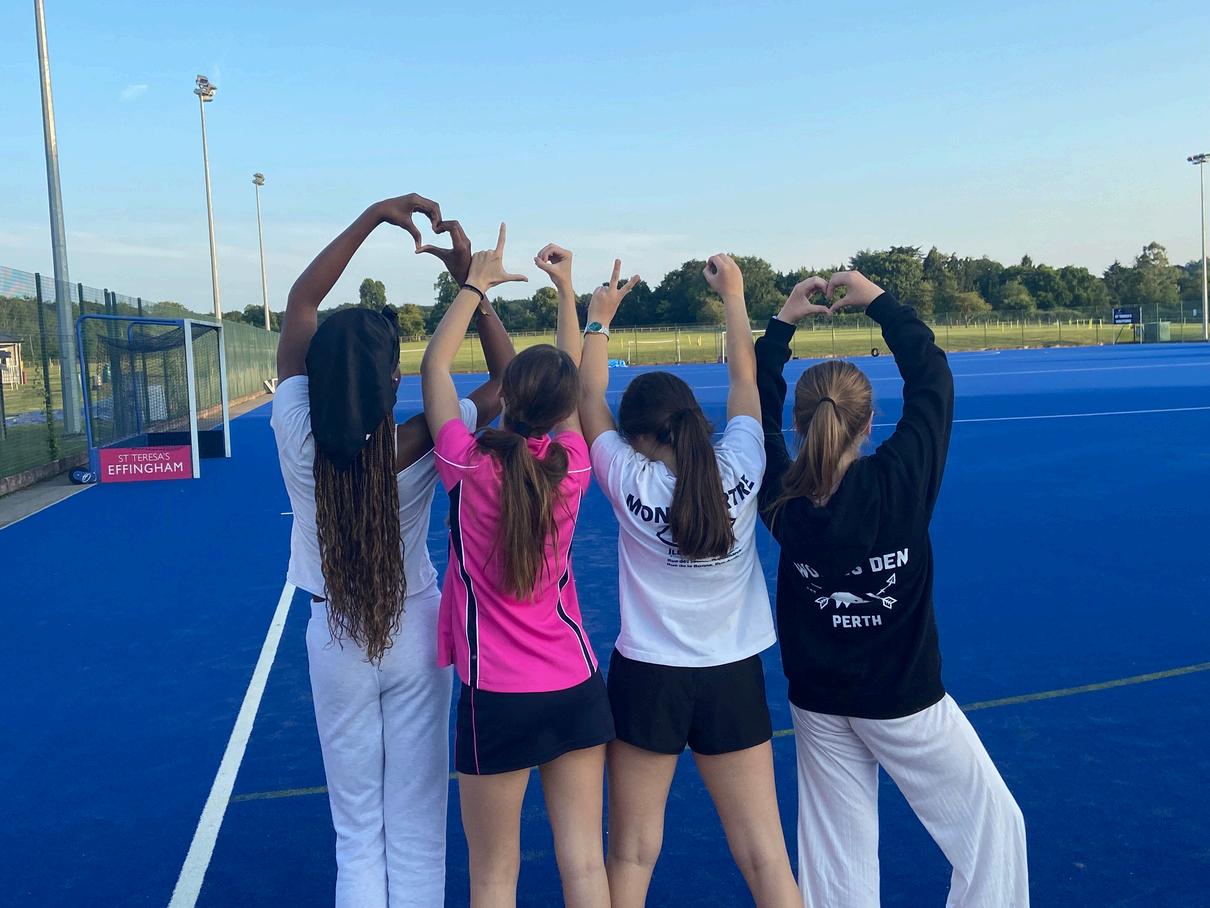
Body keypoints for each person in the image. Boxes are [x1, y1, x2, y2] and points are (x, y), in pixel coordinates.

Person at [271, 193, 515, 908]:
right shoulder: (427, 436)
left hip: (335, 632)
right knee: (417, 824)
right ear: (395, 382)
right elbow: (509, 385)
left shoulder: (295, 429)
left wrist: (373, 217)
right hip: (415, 630)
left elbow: (300, 304)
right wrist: (473, 289)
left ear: (313, 375)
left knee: (356, 833)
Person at [755, 271, 1029, 907]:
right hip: (903, 698)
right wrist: (879, 302)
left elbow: (755, 415)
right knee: (995, 830)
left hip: (818, 701)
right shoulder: (901, 481)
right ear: (869, 422)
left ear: (800, 424)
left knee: (837, 864)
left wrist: (782, 326)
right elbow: (932, 379)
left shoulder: (782, 495)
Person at [577, 252, 801, 907]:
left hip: (649, 677)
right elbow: (745, 377)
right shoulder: (742, 461)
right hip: (732, 674)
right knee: (765, 856)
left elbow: (587, 399)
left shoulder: (630, 479)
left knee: (631, 853)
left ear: (638, 437)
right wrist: (734, 295)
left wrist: (598, 321)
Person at [420, 228, 614, 908]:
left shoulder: (466, 463)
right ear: (564, 413)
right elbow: (572, 379)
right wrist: (567, 290)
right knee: (585, 867)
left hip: (497, 695)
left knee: (494, 876)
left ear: (504, 398)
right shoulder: (573, 466)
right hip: (575, 682)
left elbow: (435, 369)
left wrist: (474, 284)